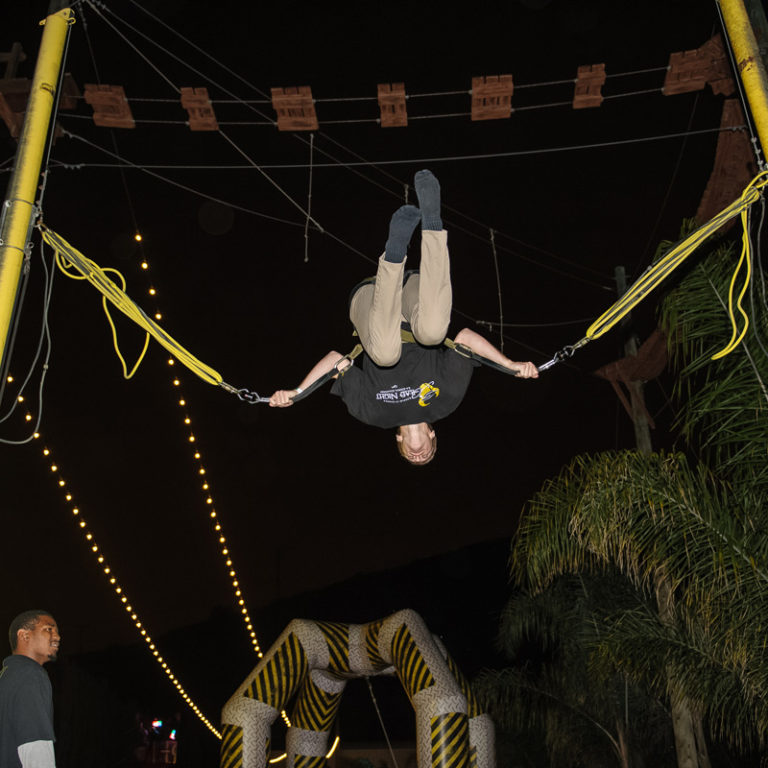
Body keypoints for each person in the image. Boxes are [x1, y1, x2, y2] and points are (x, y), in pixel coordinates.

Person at [269, 170, 538, 464]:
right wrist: (510, 365)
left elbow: (337, 361)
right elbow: (464, 341)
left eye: (413, 458)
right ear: (433, 437)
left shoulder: (373, 413)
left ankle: (394, 252)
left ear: (398, 441)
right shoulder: (445, 401)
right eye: (428, 455)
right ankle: (432, 224)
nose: (419, 454)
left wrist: (296, 392)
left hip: (370, 302)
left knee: (384, 354)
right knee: (435, 333)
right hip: (413, 296)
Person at [0, 610, 60, 768]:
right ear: (24, 635)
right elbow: (34, 743)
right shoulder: (30, 673)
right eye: (49, 629)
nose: (57, 637)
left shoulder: (6, 677)